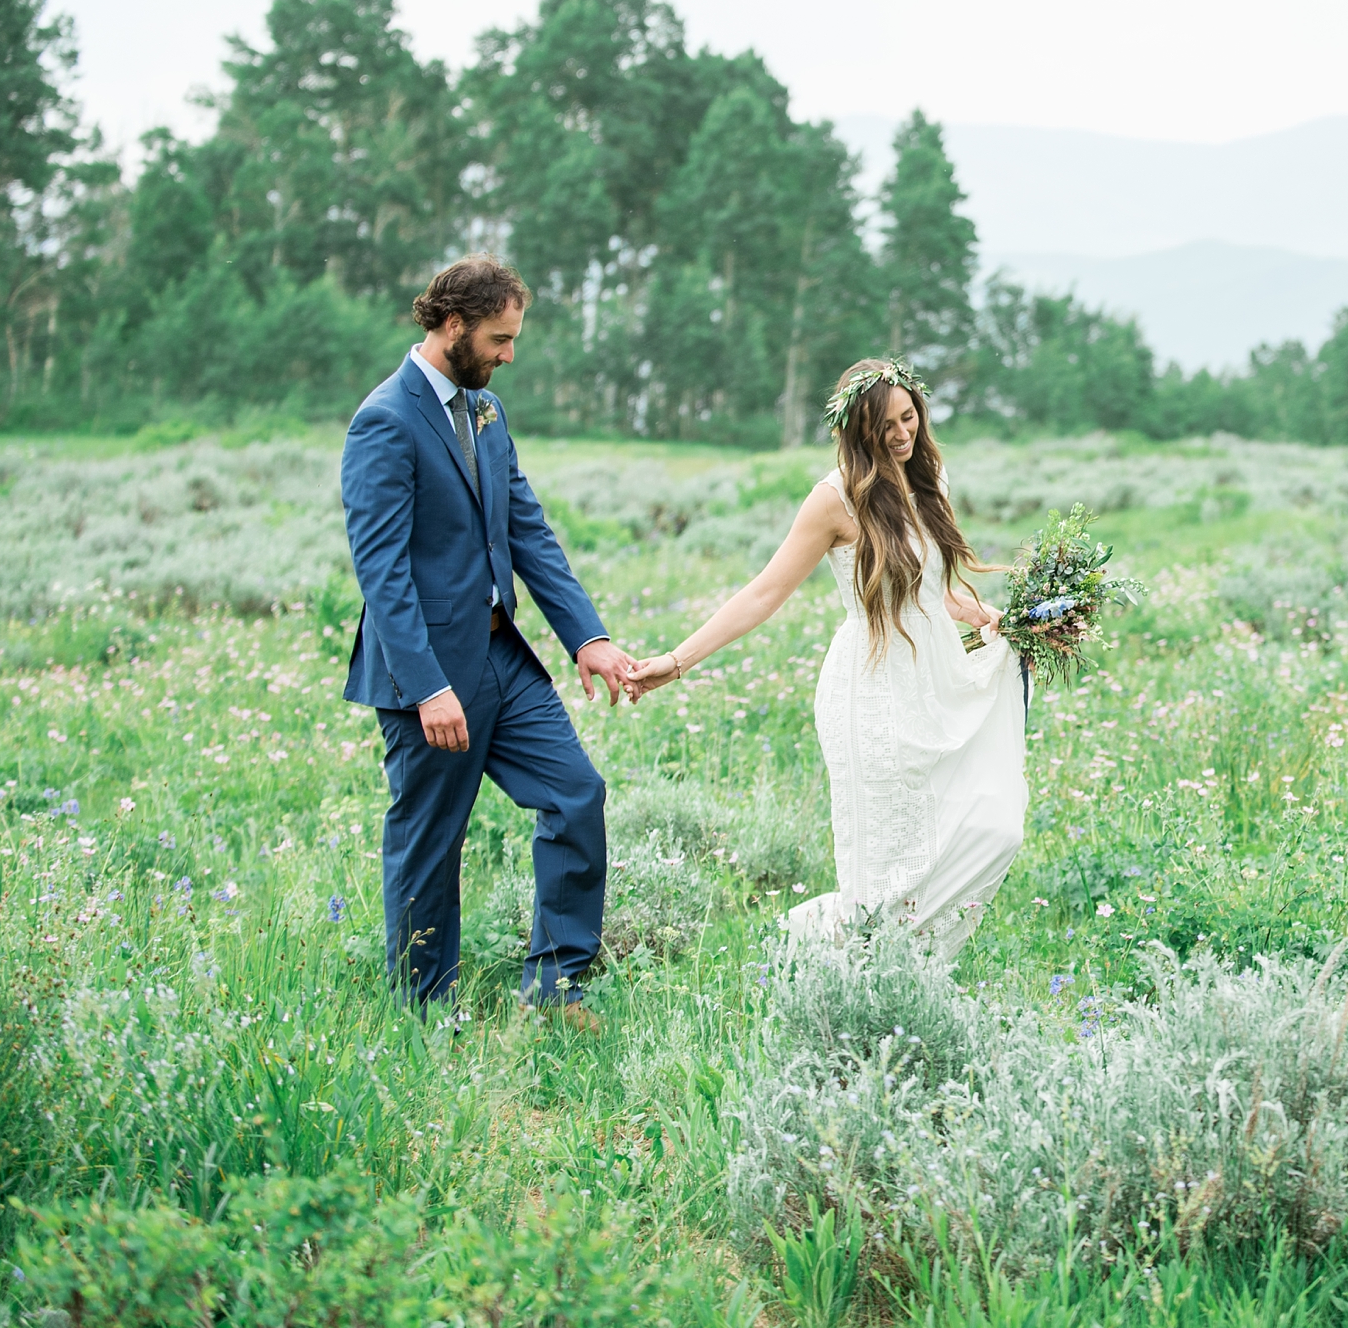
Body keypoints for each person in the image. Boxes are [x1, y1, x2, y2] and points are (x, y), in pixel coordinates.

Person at [626, 358, 1027, 960]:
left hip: (935, 680)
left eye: (908, 416)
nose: (900, 434)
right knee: (889, 865)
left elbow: (929, 586)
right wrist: (676, 661)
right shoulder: (833, 499)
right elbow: (763, 593)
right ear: (855, 431)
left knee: (992, 825)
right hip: (871, 689)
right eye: (884, 425)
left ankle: (869, 961)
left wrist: (982, 614)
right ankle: (859, 976)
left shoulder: (928, 482)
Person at [340, 255, 634, 1033]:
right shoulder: (385, 419)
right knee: (430, 842)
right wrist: (427, 686)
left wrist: (588, 638)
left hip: (505, 658)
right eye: (500, 339)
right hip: (429, 673)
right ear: (450, 325)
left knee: (577, 794)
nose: (510, 355)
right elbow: (384, 571)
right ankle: (424, 1010)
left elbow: (529, 530)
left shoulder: (483, 411)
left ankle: (556, 985)